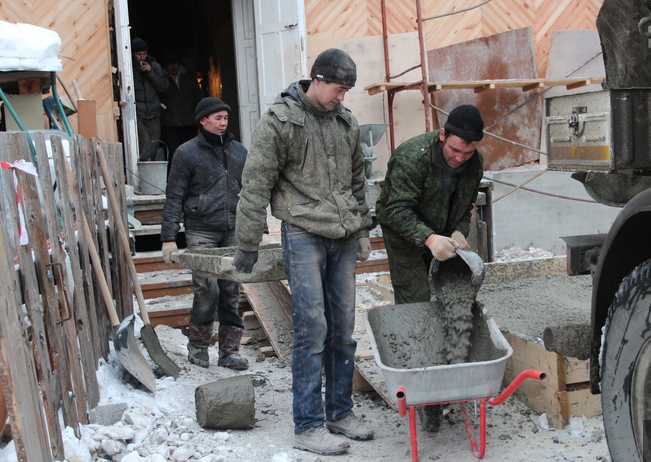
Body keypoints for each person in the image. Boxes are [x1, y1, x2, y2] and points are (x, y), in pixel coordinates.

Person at [232, 48, 374, 456]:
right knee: (313, 331)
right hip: (304, 235)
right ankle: (308, 425)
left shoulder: (345, 123)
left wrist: (362, 228)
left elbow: (356, 181)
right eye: (339, 89)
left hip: (343, 236)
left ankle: (340, 413)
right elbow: (255, 183)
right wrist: (246, 243)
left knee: (343, 332)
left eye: (347, 91)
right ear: (318, 78)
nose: (342, 98)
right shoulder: (281, 121)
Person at [374, 104, 485, 432]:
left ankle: (447, 379)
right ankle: (424, 396)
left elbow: (466, 204)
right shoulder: (412, 158)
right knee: (418, 307)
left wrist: (459, 229)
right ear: (442, 135)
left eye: (468, 152)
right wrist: (428, 238)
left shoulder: (473, 161)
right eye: (454, 150)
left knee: (453, 304)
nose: (460, 158)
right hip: (406, 239)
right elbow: (393, 211)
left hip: (444, 240)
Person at [160, 97, 249, 371]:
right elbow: (174, 196)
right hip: (201, 230)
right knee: (207, 288)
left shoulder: (239, 152)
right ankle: (199, 346)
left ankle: (229, 351)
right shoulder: (186, 153)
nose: (223, 123)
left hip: (234, 229)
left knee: (231, 290)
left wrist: (258, 230)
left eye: (226, 118)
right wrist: (168, 236)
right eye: (218, 118)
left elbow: (251, 194)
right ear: (203, 120)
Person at [159, 51, 205, 169]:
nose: (173, 66)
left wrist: (201, 116)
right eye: (170, 64)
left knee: (191, 152)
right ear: (165, 66)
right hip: (169, 123)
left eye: (175, 63)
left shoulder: (189, 77)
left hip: (189, 121)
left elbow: (198, 97)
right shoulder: (160, 79)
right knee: (173, 153)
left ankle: (193, 178)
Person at [132, 37, 169, 161]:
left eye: (144, 54)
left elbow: (164, 86)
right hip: (138, 113)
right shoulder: (128, 67)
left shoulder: (154, 65)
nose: (142, 57)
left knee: (153, 145)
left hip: (154, 112)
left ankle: (150, 173)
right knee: (144, 143)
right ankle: (140, 174)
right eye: (138, 54)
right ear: (132, 54)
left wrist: (150, 72)